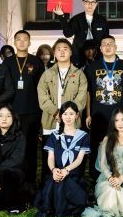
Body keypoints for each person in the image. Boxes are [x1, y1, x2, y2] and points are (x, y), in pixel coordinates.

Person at [37, 38, 88, 183]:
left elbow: (81, 98)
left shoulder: (79, 74)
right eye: (58, 49)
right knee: (49, 159)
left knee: (71, 159)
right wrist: (55, 112)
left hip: (72, 124)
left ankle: (71, 189)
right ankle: (48, 189)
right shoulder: (47, 74)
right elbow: (42, 97)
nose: (62, 51)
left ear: (71, 52)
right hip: (50, 122)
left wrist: (67, 114)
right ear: (54, 53)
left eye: (65, 48)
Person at [85, 35, 123, 180]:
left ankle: (119, 175)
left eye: (110, 43)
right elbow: (88, 92)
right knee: (97, 145)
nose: (107, 46)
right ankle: (95, 176)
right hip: (98, 114)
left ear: (116, 47)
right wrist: (88, 114)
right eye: (104, 44)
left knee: (119, 145)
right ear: (100, 49)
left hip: (119, 115)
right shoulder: (93, 67)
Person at [0, 30, 45, 187]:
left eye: (25, 39)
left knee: (30, 147)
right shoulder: (7, 62)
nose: (22, 42)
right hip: (11, 112)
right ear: (14, 42)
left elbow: (42, 87)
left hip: (32, 111)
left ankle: (30, 182)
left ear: (29, 42)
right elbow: (2, 86)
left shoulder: (36, 61)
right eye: (18, 39)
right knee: (12, 147)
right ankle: (13, 180)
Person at [82, 108, 123, 217]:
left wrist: (122, 178)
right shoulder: (107, 139)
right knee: (111, 192)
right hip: (110, 176)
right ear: (113, 123)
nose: (120, 123)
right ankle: (109, 209)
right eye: (117, 120)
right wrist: (110, 178)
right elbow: (103, 164)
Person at [35, 101, 90, 217]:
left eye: (71, 114)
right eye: (65, 114)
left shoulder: (83, 136)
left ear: (77, 115)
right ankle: (51, 208)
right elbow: (50, 158)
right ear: (60, 116)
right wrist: (54, 170)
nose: (68, 117)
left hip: (73, 175)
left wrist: (66, 170)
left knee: (64, 183)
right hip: (57, 173)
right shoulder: (54, 135)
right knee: (55, 181)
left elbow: (79, 159)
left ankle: (61, 209)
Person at [53, 0, 110, 67]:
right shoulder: (77, 19)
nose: (90, 4)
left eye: (93, 2)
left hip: (98, 54)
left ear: (96, 4)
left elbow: (106, 38)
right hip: (79, 54)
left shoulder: (102, 20)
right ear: (83, 3)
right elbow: (68, 34)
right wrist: (61, 16)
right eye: (87, 2)